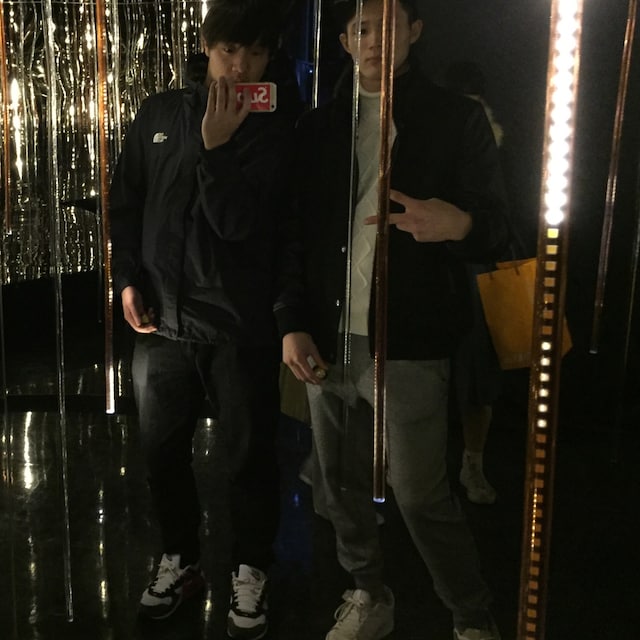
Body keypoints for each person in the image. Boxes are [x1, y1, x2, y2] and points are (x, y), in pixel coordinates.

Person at [277, 1, 510, 639]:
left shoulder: (455, 117)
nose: (376, 39)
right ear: (345, 41)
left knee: (420, 494)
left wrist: (459, 224)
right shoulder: (319, 126)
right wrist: (290, 320)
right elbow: (293, 233)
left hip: (409, 337)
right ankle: (367, 592)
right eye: (362, 28)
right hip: (329, 336)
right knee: (338, 487)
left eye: (389, 25)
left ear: (415, 31)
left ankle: (471, 614)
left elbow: (498, 224)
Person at [109, 2, 299, 638]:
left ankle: (251, 568)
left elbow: (243, 226)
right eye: (228, 50)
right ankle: (181, 560)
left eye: (255, 52)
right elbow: (126, 200)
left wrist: (217, 148)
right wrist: (127, 279)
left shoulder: (276, 127)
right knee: (161, 455)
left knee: (249, 458)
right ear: (206, 46)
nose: (240, 65)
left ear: (269, 57)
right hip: (161, 322)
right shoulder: (160, 113)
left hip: (239, 326)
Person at [443, 60, 506, 506]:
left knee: (475, 373)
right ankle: (471, 465)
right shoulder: (489, 136)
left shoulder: (471, 135)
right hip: (469, 269)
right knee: (472, 374)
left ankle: (471, 465)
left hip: (474, 270)